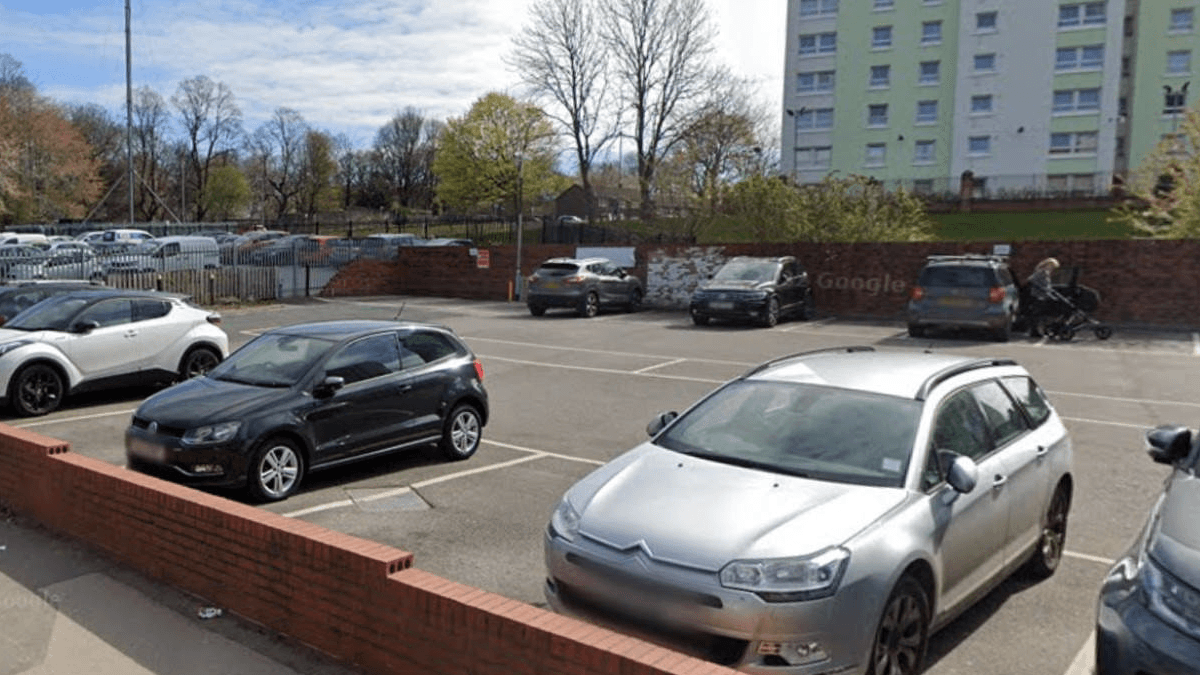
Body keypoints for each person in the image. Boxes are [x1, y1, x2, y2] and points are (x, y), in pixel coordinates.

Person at [1026, 257, 1061, 336]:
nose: (1052, 268)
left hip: (1043, 295)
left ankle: (1039, 330)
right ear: (1047, 265)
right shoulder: (1041, 272)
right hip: (1038, 295)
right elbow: (1031, 279)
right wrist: (1040, 287)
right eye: (1052, 266)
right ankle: (1034, 331)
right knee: (1037, 314)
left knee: (1041, 314)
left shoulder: (1046, 273)